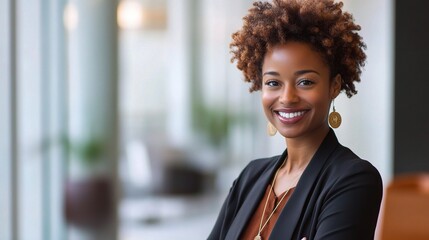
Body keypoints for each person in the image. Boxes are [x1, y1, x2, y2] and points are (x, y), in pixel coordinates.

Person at [207, 0, 383, 239]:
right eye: (273, 83)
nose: (287, 97)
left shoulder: (353, 180)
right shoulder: (251, 177)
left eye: (305, 82)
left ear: (334, 86)